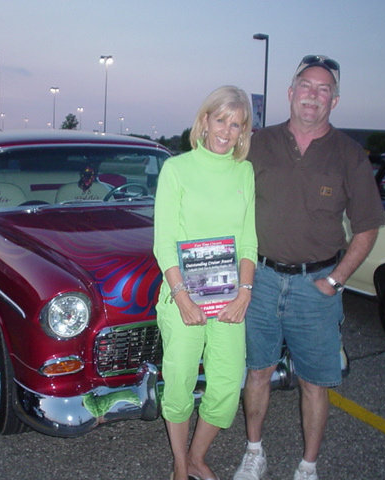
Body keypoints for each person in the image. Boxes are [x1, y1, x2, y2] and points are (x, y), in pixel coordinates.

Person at [233, 55, 385, 480]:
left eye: (324, 90)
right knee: (258, 370)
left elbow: (368, 227)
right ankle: (253, 451)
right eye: (306, 85)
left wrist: (335, 281)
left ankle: (307, 465)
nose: (313, 95)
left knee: (314, 382)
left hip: (315, 285)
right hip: (259, 281)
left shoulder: (350, 155)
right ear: (291, 92)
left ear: (334, 101)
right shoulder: (257, 143)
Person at [154, 85, 258, 480]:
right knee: (179, 381)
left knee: (228, 386)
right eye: (221, 120)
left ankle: (198, 457)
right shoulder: (177, 169)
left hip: (230, 297)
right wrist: (181, 297)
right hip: (183, 296)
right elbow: (164, 243)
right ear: (205, 121)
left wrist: (245, 292)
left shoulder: (244, 171)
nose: (227, 131)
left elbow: (248, 238)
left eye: (237, 124)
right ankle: (181, 466)